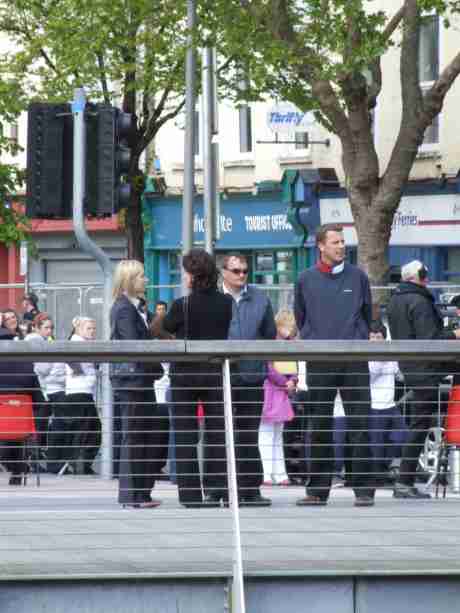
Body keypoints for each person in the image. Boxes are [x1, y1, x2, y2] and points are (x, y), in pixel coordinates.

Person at [294, 223, 375, 507]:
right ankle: (317, 490)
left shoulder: (359, 277)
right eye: (335, 242)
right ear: (321, 246)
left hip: (353, 360)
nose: (341, 246)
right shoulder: (305, 279)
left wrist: (361, 337)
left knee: (360, 425)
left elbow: (368, 315)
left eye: (343, 241)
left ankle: (364, 489)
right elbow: (301, 318)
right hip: (320, 360)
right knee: (318, 426)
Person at [163, 249, 233, 507]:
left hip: (184, 373)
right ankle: (217, 490)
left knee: (184, 434)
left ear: (192, 275)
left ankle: (190, 494)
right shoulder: (227, 303)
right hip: (215, 371)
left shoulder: (182, 305)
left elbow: (165, 327)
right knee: (217, 433)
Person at [387, 260, 460, 499]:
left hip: (411, 366)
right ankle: (404, 481)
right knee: (420, 424)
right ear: (419, 276)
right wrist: (456, 333)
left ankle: (404, 480)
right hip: (424, 367)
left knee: (419, 424)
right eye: (425, 275)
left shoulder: (397, 299)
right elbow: (431, 338)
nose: (428, 279)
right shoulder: (419, 300)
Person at [110, 260, 169, 508]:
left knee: (144, 435)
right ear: (129, 280)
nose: (146, 280)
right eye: (142, 276)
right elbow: (134, 343)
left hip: (140, 380)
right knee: (134, 436)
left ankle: (141, 492)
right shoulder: (124, 308)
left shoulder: (136, 307)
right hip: (132, 382)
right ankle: (131, 494)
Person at [222, 252, 277, 507]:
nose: (242, 275)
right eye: (236, 271)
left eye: (245, 271)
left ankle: (250, 489)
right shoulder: (215, 298)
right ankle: (221, 488)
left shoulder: (260, 298)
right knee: (220, 435)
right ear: (224, 272)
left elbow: (269, 334)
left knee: (247, 435)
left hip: (251, 376)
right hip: (221, 376)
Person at [259, 309, 297, 486]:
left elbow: (294, 367)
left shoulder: (288, 343)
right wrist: (287, 382)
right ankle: (268, 473)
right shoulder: (273, 342)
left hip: (280, 392)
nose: (289, 330)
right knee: (267, 435)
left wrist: (292, 381)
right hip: (272, 392)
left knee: (276, 435)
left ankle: (278, 474)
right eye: (287, 325)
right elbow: (269, 368)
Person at [0, 326, 42, 485]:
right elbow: (39, 401)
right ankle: (18, 471)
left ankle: (13, 466)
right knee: (17, 430)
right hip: (20, 426)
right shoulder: (26, 366)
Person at [368, 320, 408, 486]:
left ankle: (386, 466)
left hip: (390, 405)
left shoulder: (391, 355)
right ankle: (377, 477)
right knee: (376, 445)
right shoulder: (367, 357)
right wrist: (382, 360)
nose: (376, 340)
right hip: (374, 407)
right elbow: (371, 376)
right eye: (372, 337)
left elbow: (399, 375)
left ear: (384, 338)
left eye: (378, 337)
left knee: (402, 435)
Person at [26, 313, 65, 469]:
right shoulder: (36, 341)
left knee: (39, 425)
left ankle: (33, 458)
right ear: (36, 328)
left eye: (51, 328)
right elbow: (43, 368)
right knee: (38, 425)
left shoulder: (42, 341)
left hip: (40, 389)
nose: (49, 331)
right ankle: (32, 459)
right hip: (38, 390)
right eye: (46, 328)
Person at [65, 317, 101, 475]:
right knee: (89, 429)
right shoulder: (76, 342)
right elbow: (70, 359)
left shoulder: (84, 343)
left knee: (88, 429)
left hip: (83, 391)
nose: (92, 331)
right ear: (79, 329)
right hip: (80, 391)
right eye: (88, 328)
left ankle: (81, 462)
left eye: (93, 328)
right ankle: (80, 462)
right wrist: (81, 372)